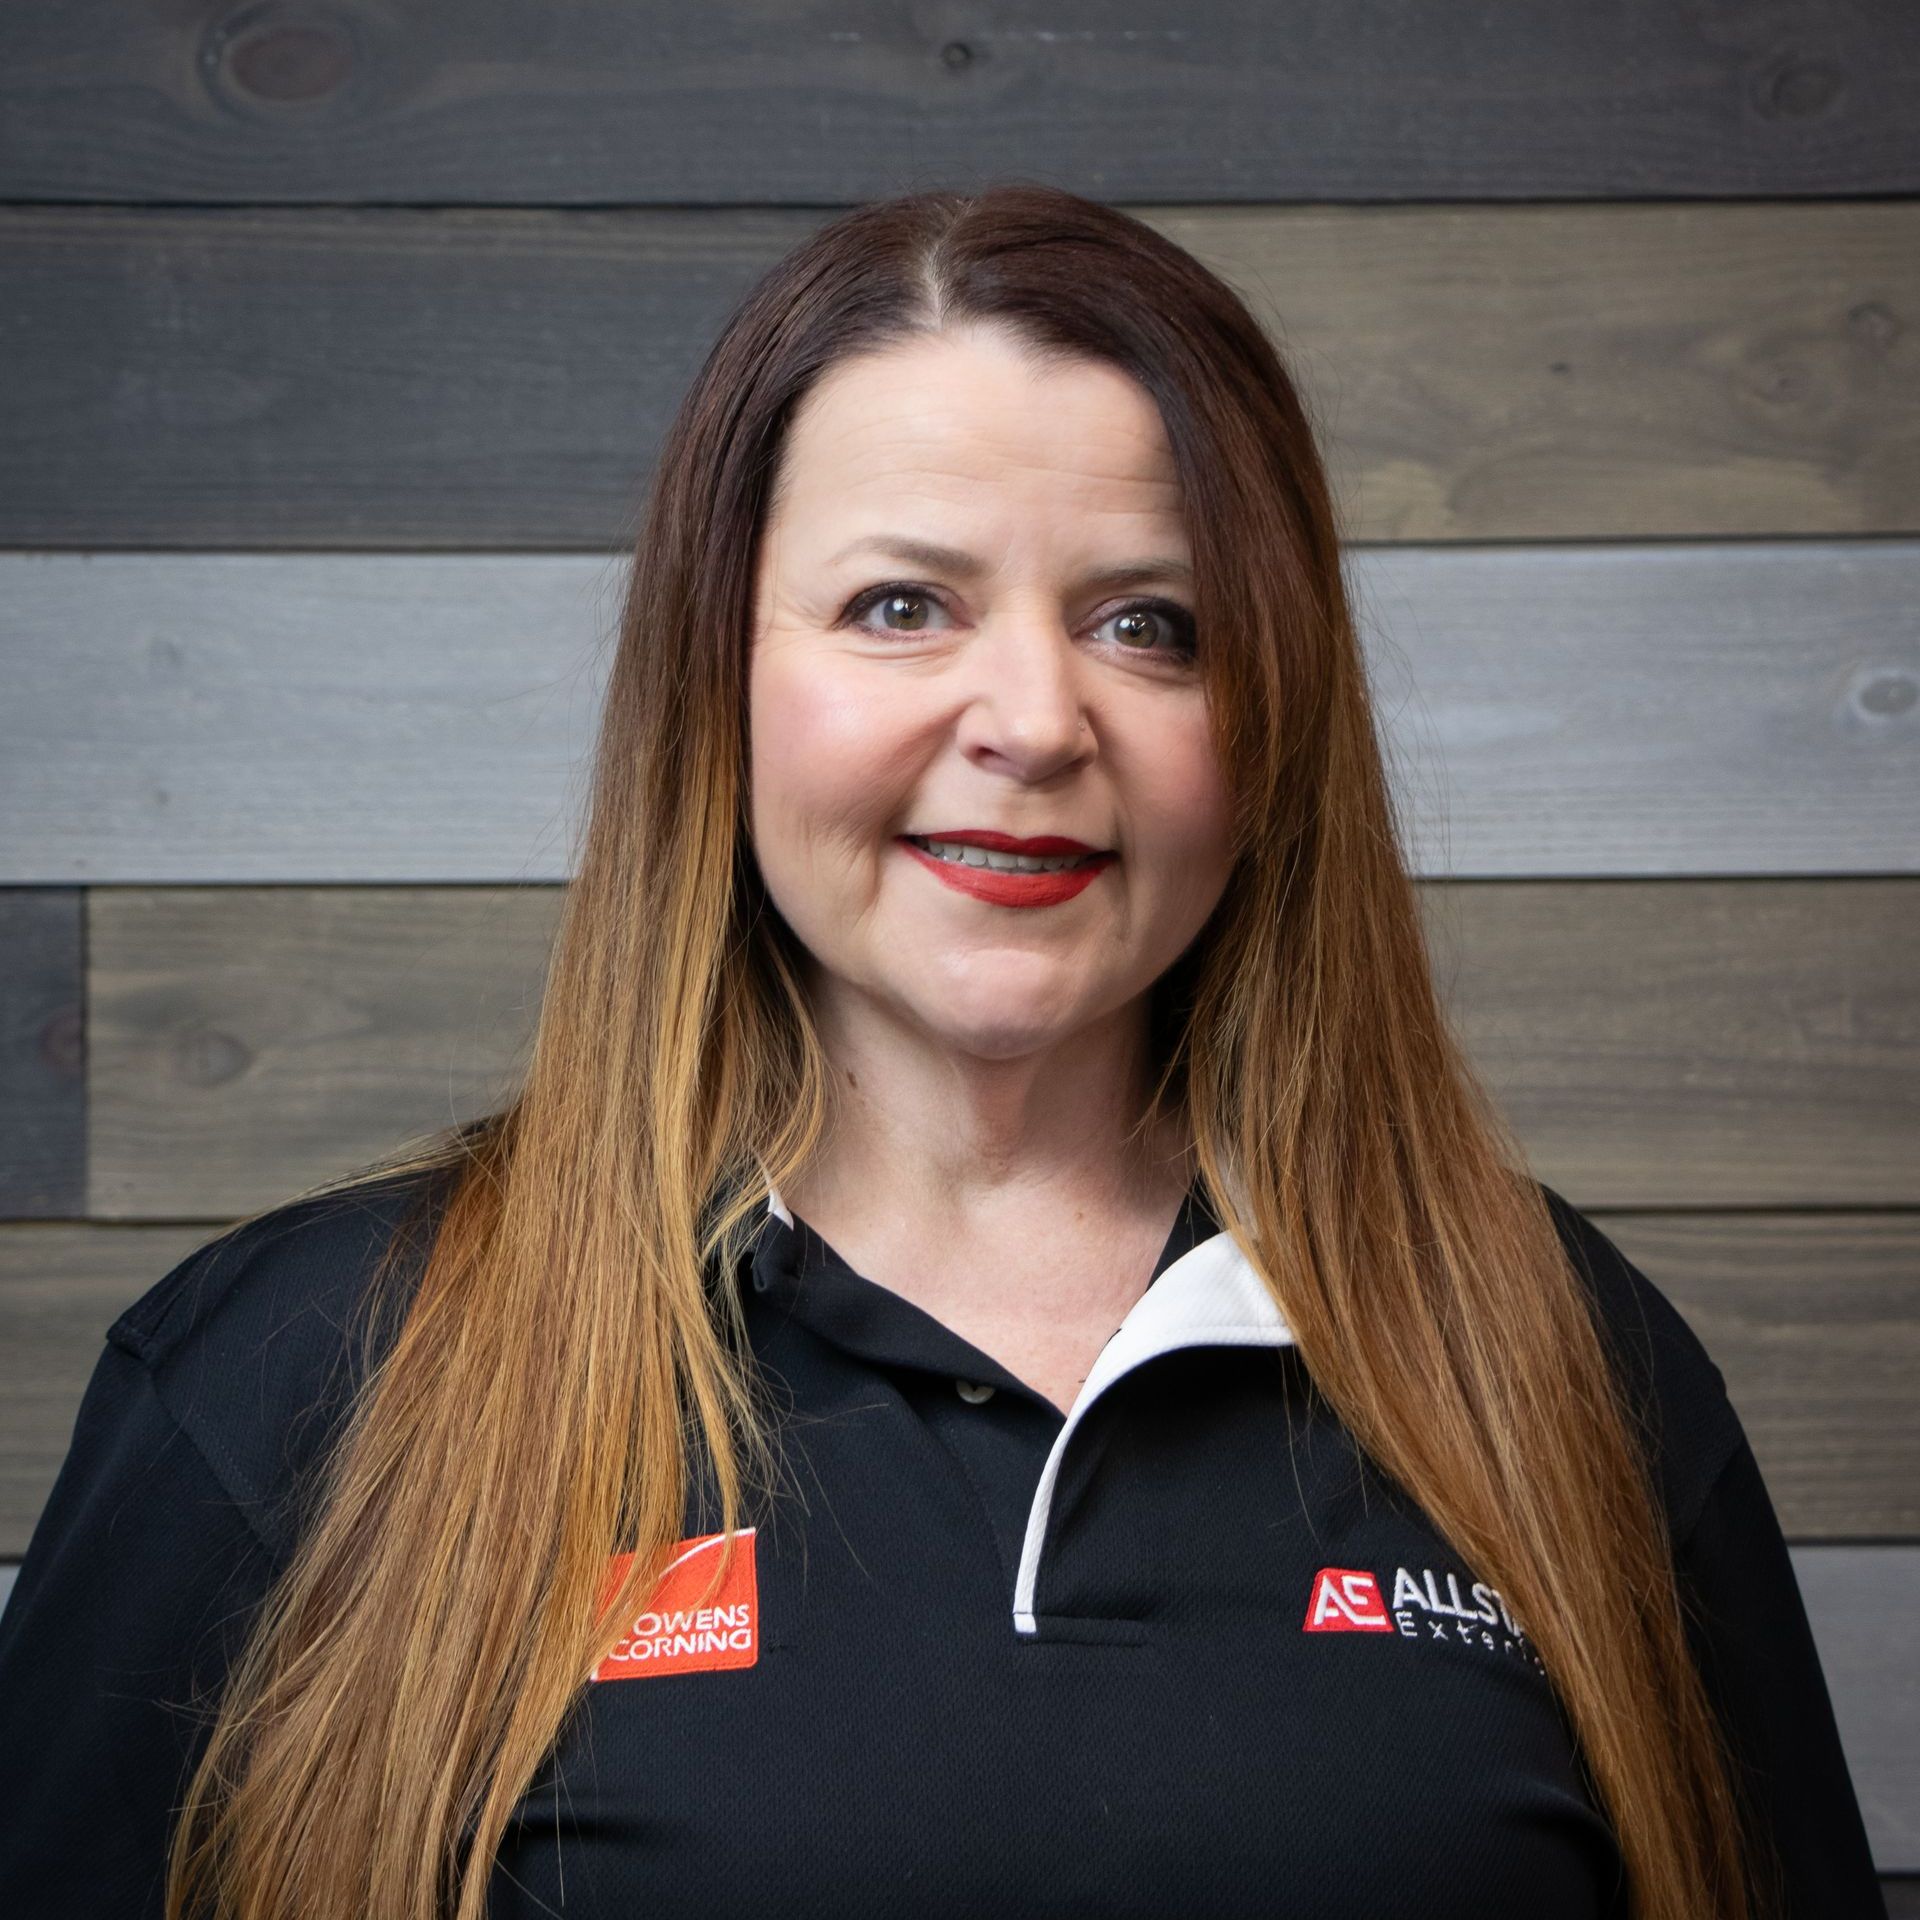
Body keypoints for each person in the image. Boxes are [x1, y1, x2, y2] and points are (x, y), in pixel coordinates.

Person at [0, 184, 1886, 1920]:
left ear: (1274, 715)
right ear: (716, 674)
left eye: (1151, 625)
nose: (1035, 718)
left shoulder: (1560, 1365)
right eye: (904, 606)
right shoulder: (297, 1377)